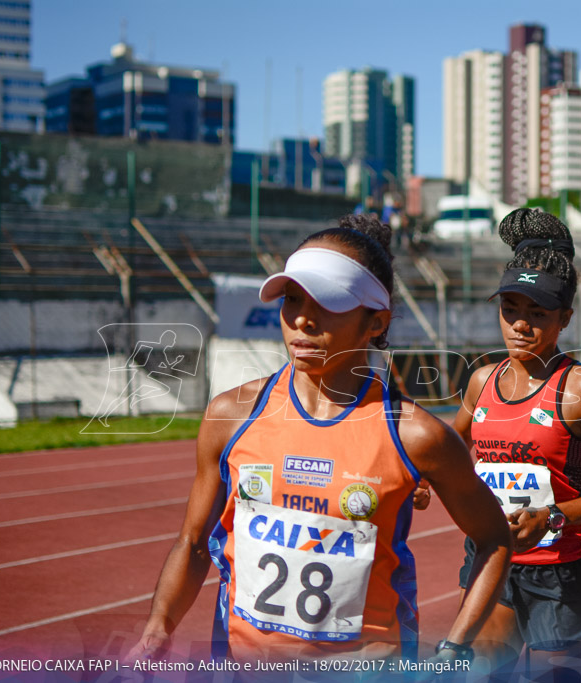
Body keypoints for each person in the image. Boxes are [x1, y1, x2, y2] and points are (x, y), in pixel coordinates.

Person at [128, 214, 511, 666]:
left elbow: (494, 538)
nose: (303, 319)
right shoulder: (230, 415)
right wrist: (159, 625)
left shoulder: (415, 434)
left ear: (376, 321)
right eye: (292, 299)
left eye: (327, 303)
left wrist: (455, 644)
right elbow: (193, 542)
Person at [451, 208, 581, 681]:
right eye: (510, 309)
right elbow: (450, 449)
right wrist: (419, 478)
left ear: (565, 319)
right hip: (493, 558)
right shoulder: (482, 382)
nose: (520, 324)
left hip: (563, 571)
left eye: (537, 313)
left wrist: (555, 515)